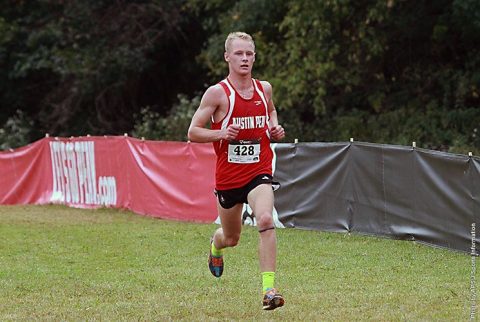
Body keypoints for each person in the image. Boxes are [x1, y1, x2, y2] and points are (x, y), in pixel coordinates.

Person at [188, 31, 286, 310]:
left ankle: (269, 291)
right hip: (229, 178)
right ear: (227, 57)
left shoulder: (263, 88)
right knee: (231, 238)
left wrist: (273, 128)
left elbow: (271, 112)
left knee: (265, 219)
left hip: (259, 172)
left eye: (249, 54)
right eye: (239, 53)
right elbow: (193, 132)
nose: (245, 58)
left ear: (254, 57)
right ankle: (215, 245)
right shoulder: (218, 93)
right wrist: (220, 134)